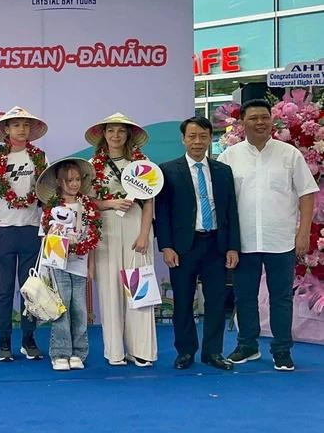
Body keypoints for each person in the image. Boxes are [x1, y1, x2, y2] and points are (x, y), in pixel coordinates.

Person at [218, 83, 318, 371]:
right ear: (243, 123)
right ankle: (247, 345)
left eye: (264, 117)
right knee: (244, 296)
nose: (260, 122)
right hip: (244, 241)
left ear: (272, 120)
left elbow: (307, 194)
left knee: (281, 298)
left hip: (282, 239)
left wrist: (303, 232)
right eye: (253, 118)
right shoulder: (229, 157)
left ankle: (282, 349)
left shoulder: (289, 155)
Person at [154, 117, 239, 371]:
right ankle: (185, 352)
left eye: (203, 136)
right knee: (182, 301)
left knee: (216, 301)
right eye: (192, 136)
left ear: (210, 137)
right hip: (182, 247)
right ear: (183, 139)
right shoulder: (168, 170)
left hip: (216, 244)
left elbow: (231, 211)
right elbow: (163, 212)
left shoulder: (223, 171)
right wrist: (166, 246)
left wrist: (233, 246)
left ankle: (213, 352)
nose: (197, 141)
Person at [86, 112, 157, 367]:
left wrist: (144, 233)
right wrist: (109, 203)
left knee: (139, 289)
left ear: (128, 135)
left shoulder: (141, 163)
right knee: (109, 290)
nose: (116, 136)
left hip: (135, 226)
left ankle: (141, 350)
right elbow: (87, 202)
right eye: (111, 131)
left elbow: (149, 201)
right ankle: (114, 351)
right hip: (106, 229)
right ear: (103, 134)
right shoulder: (93, 165)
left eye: (121, 131)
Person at [0, 106, 47, 362]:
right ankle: (4, 341)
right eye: (16, 124)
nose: (21, 129)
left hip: (32, 230)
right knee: (4, 290)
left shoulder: (40, 158)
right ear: (6, 130)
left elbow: (48, 194)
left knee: (30, 290)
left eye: (25, 125)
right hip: (4, 231)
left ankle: (29, 340)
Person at [36, 158, 101, 371]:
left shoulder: (87, 207)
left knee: (79, 309)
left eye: (77, 180)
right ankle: (60, 352)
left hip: (80, 264)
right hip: (58, 266)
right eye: (69, 180)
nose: (74, 184)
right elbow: (45, 239)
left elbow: (92, 239)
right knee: (61, 307)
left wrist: (90, 266)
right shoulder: (52, 207)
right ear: (59, 182)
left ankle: (79, 352)